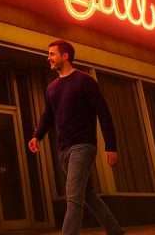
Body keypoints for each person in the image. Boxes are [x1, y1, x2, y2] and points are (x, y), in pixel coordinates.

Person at [28, 40, 124, 235]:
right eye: (48, 54)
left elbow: (103, 113)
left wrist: (111, 146)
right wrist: (37, 136)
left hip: (83, 146)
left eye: (52, 54)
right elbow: (48, 115)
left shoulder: (85, 81)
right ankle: (115, 231)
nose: (48, 58)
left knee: (73, 197)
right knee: (87, 194)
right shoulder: (52, 88)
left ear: (65, 56)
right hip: (63, 148)